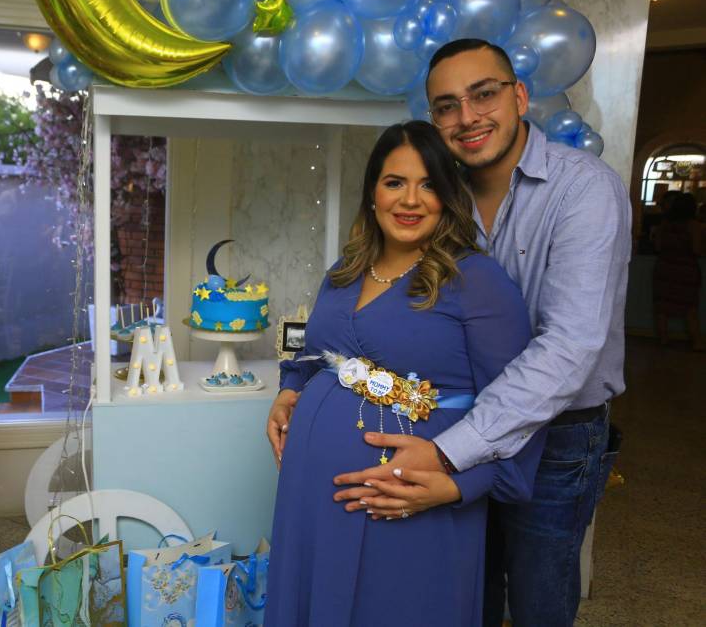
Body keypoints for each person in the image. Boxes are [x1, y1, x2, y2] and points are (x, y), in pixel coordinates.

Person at [319, 39, 631, 626]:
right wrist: (300, 384)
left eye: (483, 94)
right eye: (446, 106)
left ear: (520, 96)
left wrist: (448, 452)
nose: (467, 117)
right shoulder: (439, 191)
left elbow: (571, 346)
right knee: (465, 593)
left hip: (556, 436)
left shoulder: (583, 189)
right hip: (454, 426)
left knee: (537, 600)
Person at [263, 120, 546, 626]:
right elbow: (317, 352)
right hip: (311, 497)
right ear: (373, 192)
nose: (410, 200)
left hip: (413, 503)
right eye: (394, 182)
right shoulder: (345, 271)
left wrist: (458, 487)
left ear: (448, 197)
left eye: (428, 184)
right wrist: (289, 390)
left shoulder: (477, 281)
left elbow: (521, 408)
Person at [652, 192, 704, 350]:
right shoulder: (694, 226)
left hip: (664, 268)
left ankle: (663, 339)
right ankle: (697, 342)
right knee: (690, 307)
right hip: (686, 270)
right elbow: (696, 249)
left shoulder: (664, 225)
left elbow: (657, 247)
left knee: (662, 306)